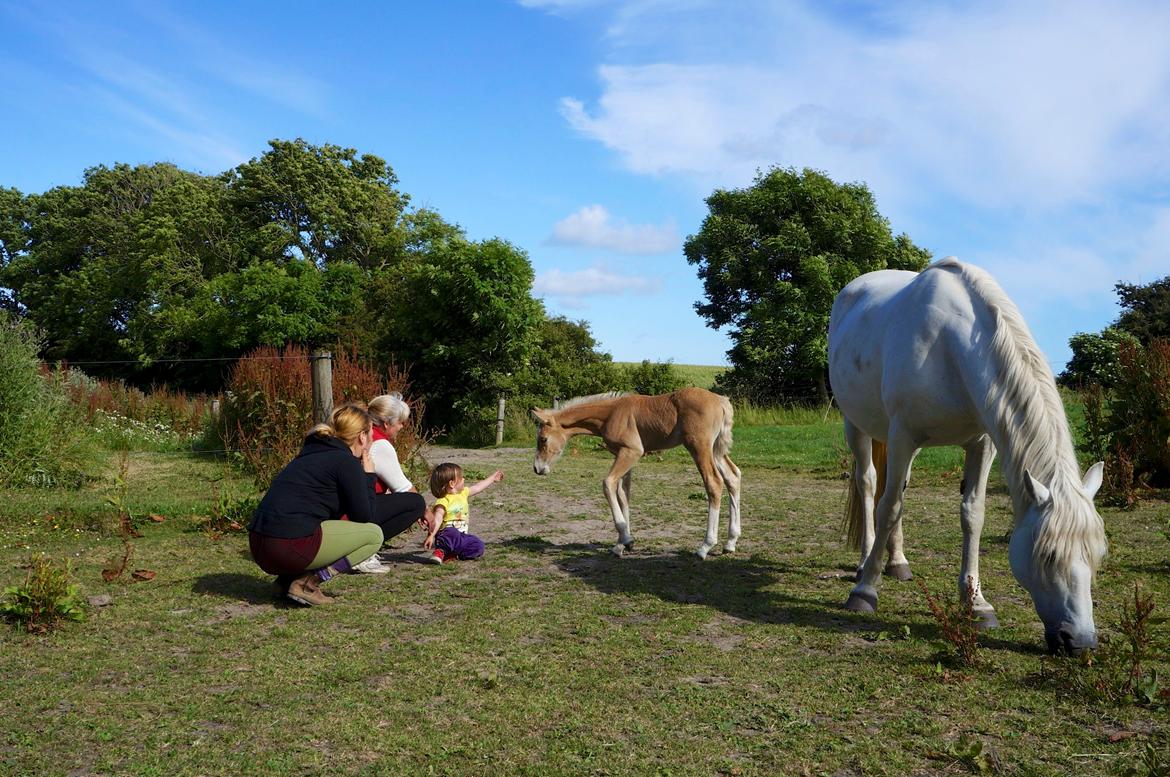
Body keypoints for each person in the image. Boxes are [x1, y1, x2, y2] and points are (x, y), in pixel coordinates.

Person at [248, 403, 385, 606]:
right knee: (374, 536)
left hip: (259, 546)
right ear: (362, 437)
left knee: (316, 522)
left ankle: (285, 581)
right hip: (286, 549)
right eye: (370, 435)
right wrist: (369, 476)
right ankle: (307, 584)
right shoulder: (345, 461)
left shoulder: (310, 453)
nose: (371, 440)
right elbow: (364, 516)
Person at [364, 393, 428, 558]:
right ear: (386, 423)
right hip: (358, 509)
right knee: (416, 503)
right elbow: (403, 487)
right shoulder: (381, 445)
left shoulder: (364, 436)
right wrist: (427, 512)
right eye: (400, 422)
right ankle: (364, 546)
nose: (402, 427)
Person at [422, 462, 503, 564]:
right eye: (461, 478)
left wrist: (492, 479)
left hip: (462, 536)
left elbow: (478, 487)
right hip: (447, 535)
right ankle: (440, 551)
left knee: (478, 545)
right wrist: (431, 535)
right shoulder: (443, 501)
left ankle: (453, 554)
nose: (464, 479)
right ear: (452, 484)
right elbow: (438, 519)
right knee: (451, 532)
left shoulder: (463, 493)